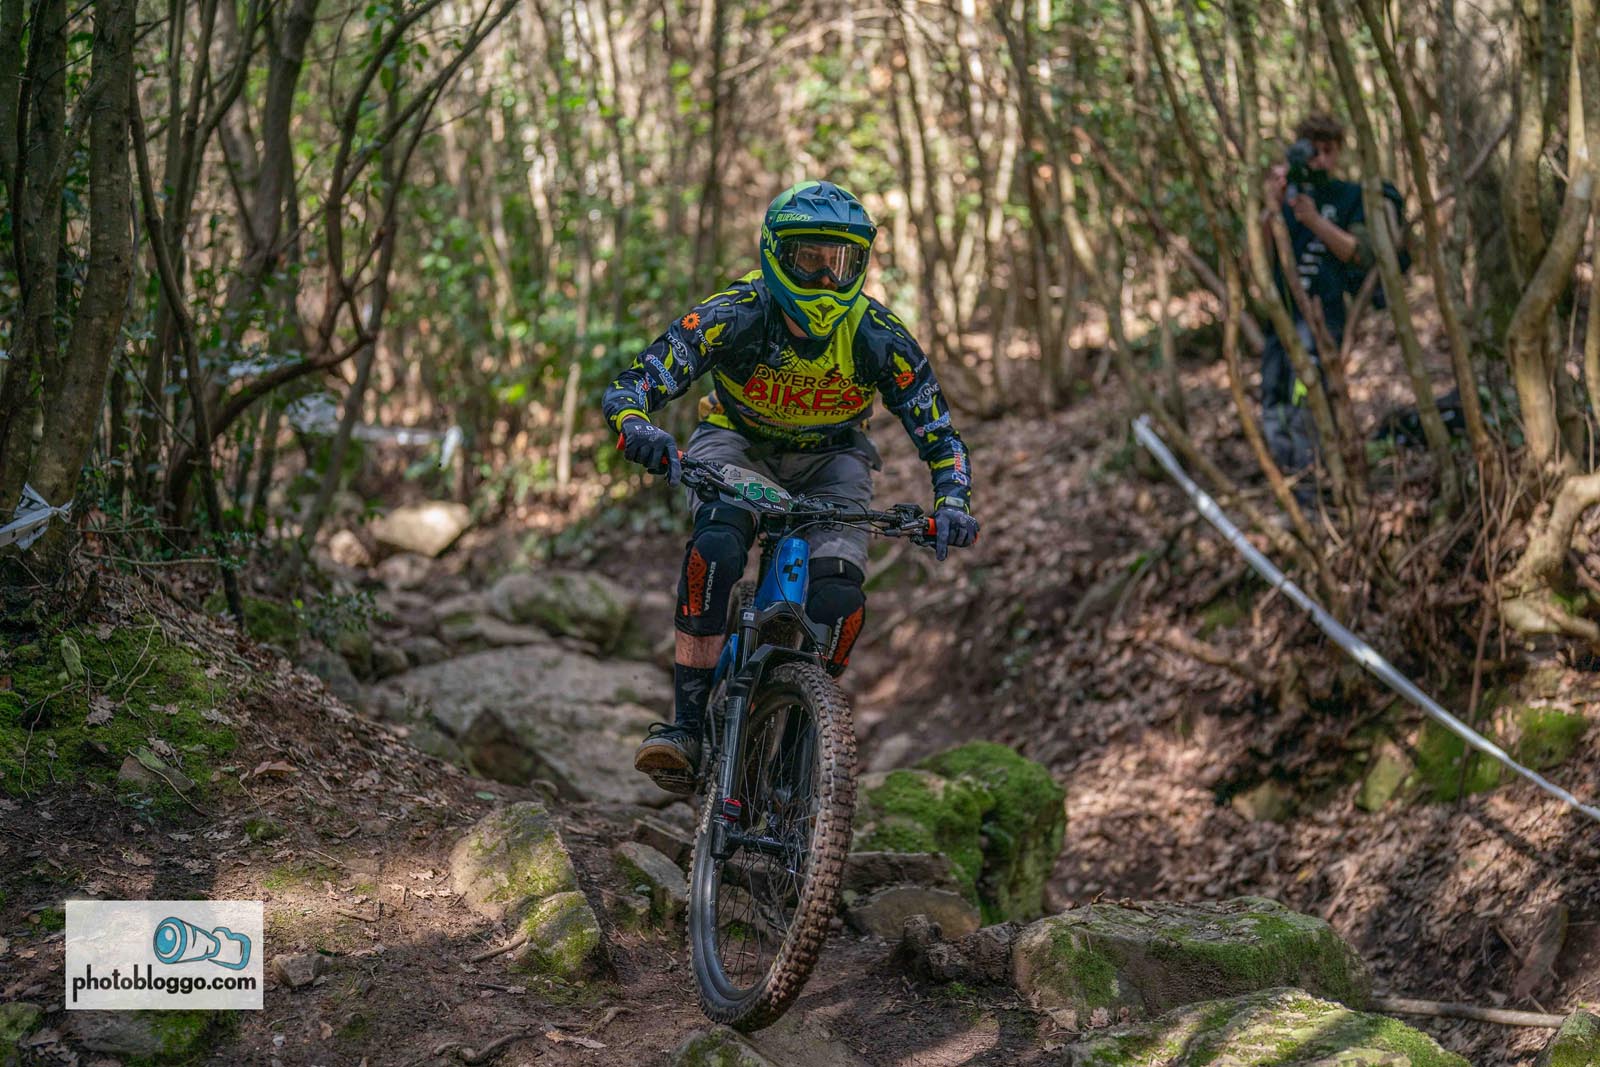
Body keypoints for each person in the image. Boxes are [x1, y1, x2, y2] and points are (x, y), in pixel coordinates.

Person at [601, 179, 979, 792]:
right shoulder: (735, 313)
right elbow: (637, 381)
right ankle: (686, 728)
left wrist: (953, 501)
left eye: (841, 262)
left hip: (835, 460)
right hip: (737, 444)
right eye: (810, 259)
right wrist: (636, 425)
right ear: (777, 253)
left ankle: (800, 753)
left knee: (839, 599)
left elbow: (940, 434)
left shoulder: (877, 334)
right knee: (717, 547)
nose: (827, 278)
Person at [1258, 112, 1377, 497]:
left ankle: (1314, 488)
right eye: (1314, 152)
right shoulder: (1286, 193)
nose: (1321, 160)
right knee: (1274, 397)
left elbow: (1358, 252)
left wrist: (1312, 220)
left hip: (1325, 319)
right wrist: (1272, 207)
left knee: (1308, 399)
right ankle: (1288, 483)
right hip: (1281, 318)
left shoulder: (1348, 196)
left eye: (1329, 151)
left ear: (1339, 152)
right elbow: (1257, 258)